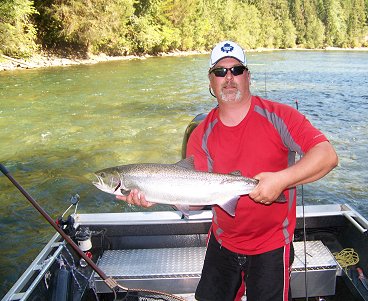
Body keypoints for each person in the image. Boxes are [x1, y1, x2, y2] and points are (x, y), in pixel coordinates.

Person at [117, 40, 338, 301]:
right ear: (211, 81)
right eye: (220, 72)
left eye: (237, 70)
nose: (229, 78)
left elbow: (327, 156)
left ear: (248, 77)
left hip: (272, 245)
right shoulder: (201, 134)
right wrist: (155, 195)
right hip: (223, 243)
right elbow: (193, 204)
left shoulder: (280, 116)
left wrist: (281, 180)